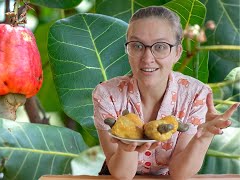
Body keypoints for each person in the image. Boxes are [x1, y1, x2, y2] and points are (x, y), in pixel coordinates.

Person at [92, 6, 239, 180]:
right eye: (137, 45)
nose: (147, 58)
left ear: (177, 52)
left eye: (160, 46)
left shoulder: (196, 95)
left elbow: (180, 173)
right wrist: (127, 145)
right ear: (127, 50)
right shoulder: (107, 95)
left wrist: (203, 137)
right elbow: (122, 174)